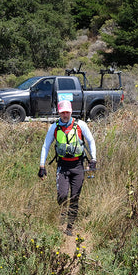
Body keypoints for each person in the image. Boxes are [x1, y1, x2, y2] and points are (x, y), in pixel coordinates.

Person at [38, 100, 97, 236]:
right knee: (62, 195)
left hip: (77, 166)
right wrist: (42, 166)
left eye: (67, 112)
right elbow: (45, 146)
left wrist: (93, 159)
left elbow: (91, 141)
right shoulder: (54, 127)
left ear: (71, 112)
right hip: (63, 166)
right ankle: (62, 213)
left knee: (75, 197)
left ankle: (70, 227)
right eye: (62, 112)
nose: (65, 115)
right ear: (59, 113)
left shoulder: (80, 125)